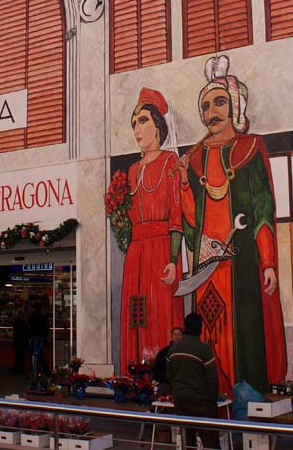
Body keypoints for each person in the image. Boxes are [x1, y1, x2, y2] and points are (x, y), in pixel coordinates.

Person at [175, 55, 286, 396]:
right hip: (207, 268)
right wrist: (184, 183)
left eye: (220, 102)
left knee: (244, 331)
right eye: (206, 105)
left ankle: (245, 393)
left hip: (241, 265)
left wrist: (268, 263)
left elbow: (263, 209)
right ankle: (213, 390)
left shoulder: (250, 147)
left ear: (235, 105)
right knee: (208, 329)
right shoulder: (194, 157)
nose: (212, 112)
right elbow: (192, 220)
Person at [120, 88, 184, 373]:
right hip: (136, 252)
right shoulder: (132, 170)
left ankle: (162, 373)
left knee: (160, 309)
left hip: (160, 249)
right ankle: (135, 371)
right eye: (134, 123)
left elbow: (176, 214)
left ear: (158, 126)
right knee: (138, 311)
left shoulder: (170, 161)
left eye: (143, 120)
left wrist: (173, 259)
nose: (137, 129)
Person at [167, 313, 219, 449]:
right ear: (200, 328)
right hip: (201, 402)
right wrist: (213, 399)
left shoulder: (173, 349)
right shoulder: (204, 349)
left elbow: (169, 375)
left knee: (188, 440)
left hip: (180, 401)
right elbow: (212, 380)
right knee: (210, 442)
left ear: (185, 327)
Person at [153, 327, 183, 397]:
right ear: (172, 336)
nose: (177, 337)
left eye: (179, 334)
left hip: (182, 384)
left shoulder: (186, 352)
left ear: (183, 337)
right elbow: (157, 369)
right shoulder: (163, 352)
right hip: (166, 383)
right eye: (175, 334)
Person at [28, 302, 49, 380]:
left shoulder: (31, 316)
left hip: (33, 338)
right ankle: (44, 371)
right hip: (41, 338)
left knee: (34, 356)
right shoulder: (43, 317)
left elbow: (29, 327)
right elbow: (47, 328)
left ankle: (34, 372)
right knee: (40, 355)